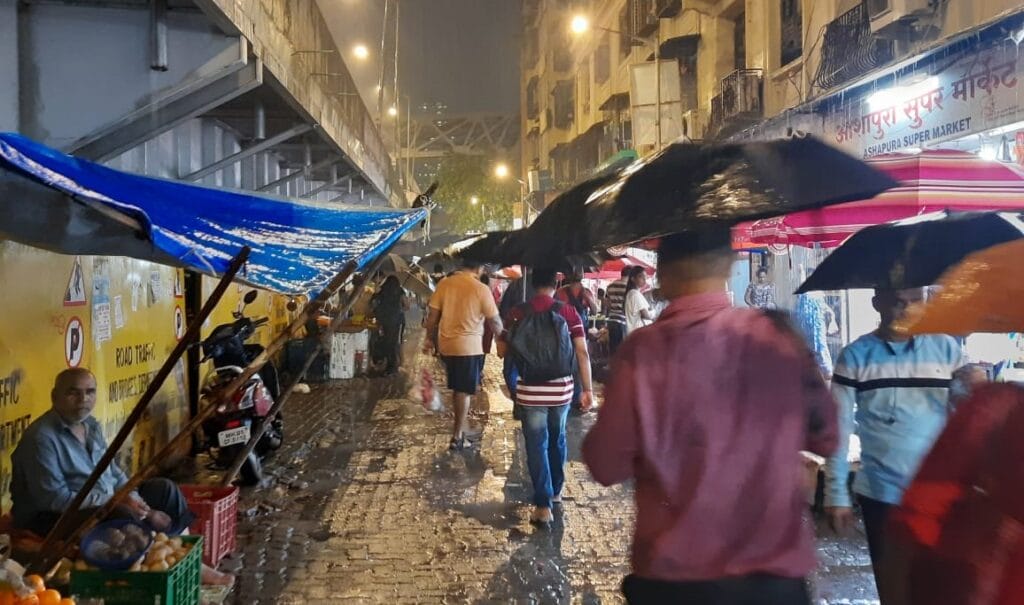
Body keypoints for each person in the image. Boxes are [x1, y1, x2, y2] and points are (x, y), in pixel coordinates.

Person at [583, 227, 838, 605]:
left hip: (676, 583)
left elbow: (605, 464)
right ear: (729, 264)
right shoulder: (777, 338)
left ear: (664, 275)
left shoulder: (643, 353)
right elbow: (827, 436)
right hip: (773, 582)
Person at [11, 369, 233, 586]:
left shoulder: (90, 426)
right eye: (73, 392)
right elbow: (54, 499)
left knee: (164, 490)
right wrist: (114, 502)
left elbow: (114, 473)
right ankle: (157, 572)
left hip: (103, 501)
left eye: (90, 392)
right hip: (52, 516)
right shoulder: (41, 438)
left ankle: (179, 556)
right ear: (54, 397)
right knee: (121, 514)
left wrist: (139, 502)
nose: (83, 399)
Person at [824, 288, 965, 602]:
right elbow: (839, 427)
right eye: (897, 302)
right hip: (881, 494)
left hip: (937, 493)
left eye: (915, 300)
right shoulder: (855, 356)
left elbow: (967, 416)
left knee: (940, 588)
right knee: (894, 590)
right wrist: (837, 493)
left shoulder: (947, 350)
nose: (906, 309)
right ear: (877, 303)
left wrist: (973, 387)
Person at [503, 267, 594, 525]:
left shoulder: (518, 312)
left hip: (530, 389)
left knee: (536, 444)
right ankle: (556, 492)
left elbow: (502, 350)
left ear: (532, 285)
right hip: (561, 389)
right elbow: (582, 353)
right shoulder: (567, 312)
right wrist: (587, 390)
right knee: (558, 437)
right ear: (556, 284)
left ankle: (542, 507)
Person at [424, 260, 503, 451]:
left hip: (447, 346)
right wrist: (504, 340)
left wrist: (429, 339)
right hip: (468, 347)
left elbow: (432, 316)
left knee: (459, 388)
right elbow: (494, 320)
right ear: (478, 267)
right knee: (463, 391)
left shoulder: (444, 284)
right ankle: (457, 436)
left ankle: (460, 429)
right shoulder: (480, 288)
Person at [556, 273, 599, 411]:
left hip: (577, 332)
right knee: (575, 363)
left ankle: (575, 397)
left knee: (578, 365)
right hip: (568, 333)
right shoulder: (561, 292)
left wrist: (587, 298)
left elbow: (594, 310)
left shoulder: (585, 292)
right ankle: (572, 396)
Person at [371, 275, 408, 375]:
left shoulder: (381, 290)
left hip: (384, 320)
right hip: (397, 320)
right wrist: (400, 310)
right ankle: (393, 367)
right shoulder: (400, 290)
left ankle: (386, 364)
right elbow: (407, 305)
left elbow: (374, 303)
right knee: (394, 343)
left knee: (386, 341)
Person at [604, 267, 630, 355]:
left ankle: (611, 365)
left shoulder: (610, 286)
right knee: (622, 348)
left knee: (613, 346)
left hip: (612, 319)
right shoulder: (629, 288)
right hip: (623, 320)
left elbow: (608, 304)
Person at [623, 266, 654, 335]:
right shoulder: (634, 294)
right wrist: (655, 314)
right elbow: (645, 315)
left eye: (645, 277)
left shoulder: (633, 293)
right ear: (633, 279)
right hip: (638, 333)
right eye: (641, 277)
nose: (644, 279)